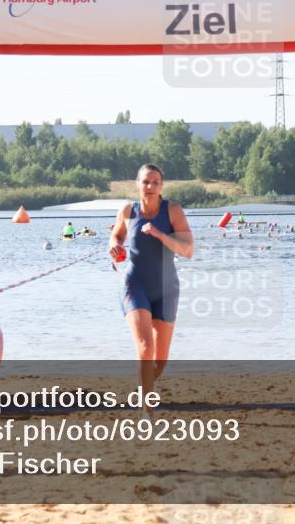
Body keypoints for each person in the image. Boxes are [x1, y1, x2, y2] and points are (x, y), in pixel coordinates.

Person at [109, 164, 194, 415]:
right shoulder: (127, 211)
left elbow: (188, 251)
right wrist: (115, 248)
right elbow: (116, 237)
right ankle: (146, 409)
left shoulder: (173, 211)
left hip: (166, 288)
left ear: (161, 186)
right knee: (145, 348)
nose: (150, 187)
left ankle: (142, 391)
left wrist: (160, 234)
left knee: (160, 360)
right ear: (138, 184)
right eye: (146, 182)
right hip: (134, 284)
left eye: (155, 182)